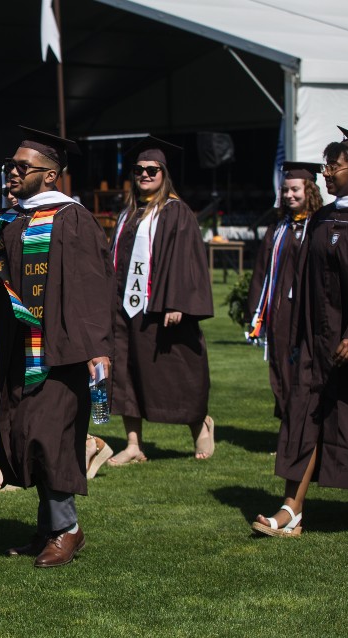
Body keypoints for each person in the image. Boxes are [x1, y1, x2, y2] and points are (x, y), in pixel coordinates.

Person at [0, 128, 113, 567]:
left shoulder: (71, 218)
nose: (12, 174)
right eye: (11, 166)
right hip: (19, 346)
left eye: (23, 167)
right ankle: (48, 527)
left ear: (51, 176)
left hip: (63, 349)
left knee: (48, 437)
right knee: (26, 434)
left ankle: (68, 530)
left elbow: (93, 285)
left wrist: (97, 347)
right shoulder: (11, 219)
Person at [254, 127, 348, 536]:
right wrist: (299, 336)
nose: (325, 172)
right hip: (318, 344)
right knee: (303, 417)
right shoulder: (323, 218)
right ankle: (291, 510)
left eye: (331, 166)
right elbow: (305, 280)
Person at [107, 136, 214, 465]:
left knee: (176, 370)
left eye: (152, 169)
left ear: (164, 173)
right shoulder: (128, 214)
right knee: (125, 376)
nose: (144, 174)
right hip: (124, 310)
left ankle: (200, 426)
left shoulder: (176, 212)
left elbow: (187, 260)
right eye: (139, 170)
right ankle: (134, 444)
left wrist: (177, 302)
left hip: (161, 308)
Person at [246, 162, 324, 420]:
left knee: (304, 369)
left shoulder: (321, 227)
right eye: (285, 190)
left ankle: (305, 430)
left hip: (308, 312)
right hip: (280, 312)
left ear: (309, 190)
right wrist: (255, 310)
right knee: (280, 368)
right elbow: (261, 273)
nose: (289, 195)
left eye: (295, 190)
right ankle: (287, 429)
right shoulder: (278, 229)